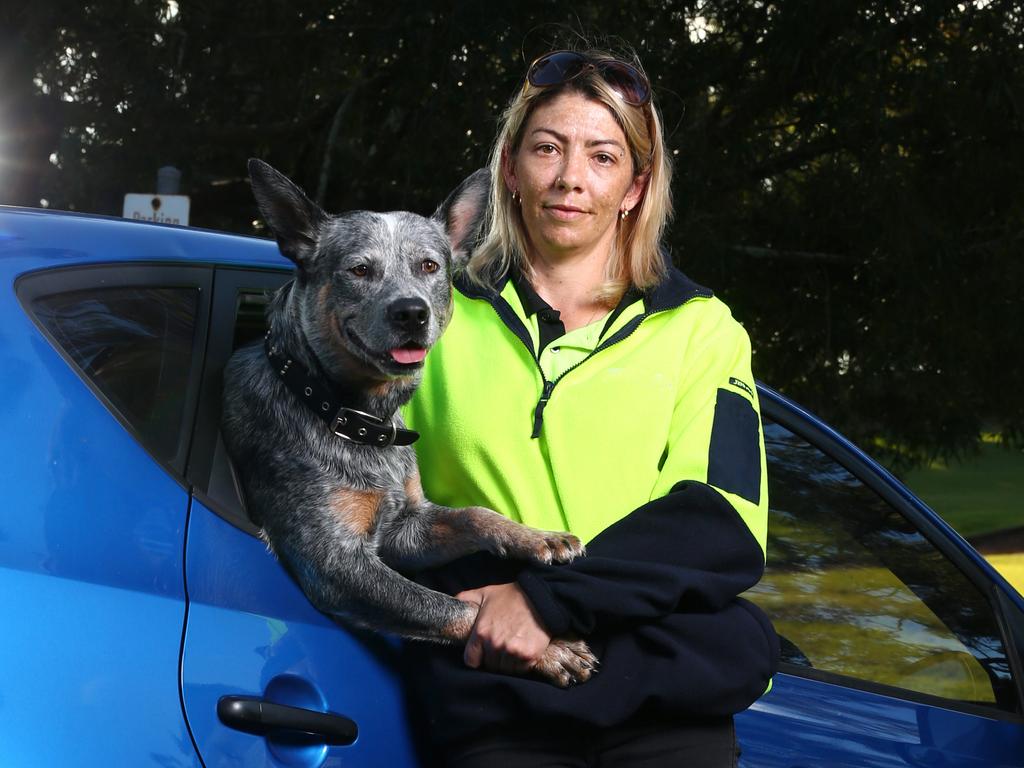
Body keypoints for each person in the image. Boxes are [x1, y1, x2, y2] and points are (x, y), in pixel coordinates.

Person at [402, 46, 778, 768]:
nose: (572, 178)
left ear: (636, 186)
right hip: (500, 702)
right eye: (548, 148)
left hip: (663, 711)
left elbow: (720, 526)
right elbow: (375, 503)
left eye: (603, 157)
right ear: (510, 170)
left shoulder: (701, 329)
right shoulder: (434, 316)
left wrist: (544, 602)